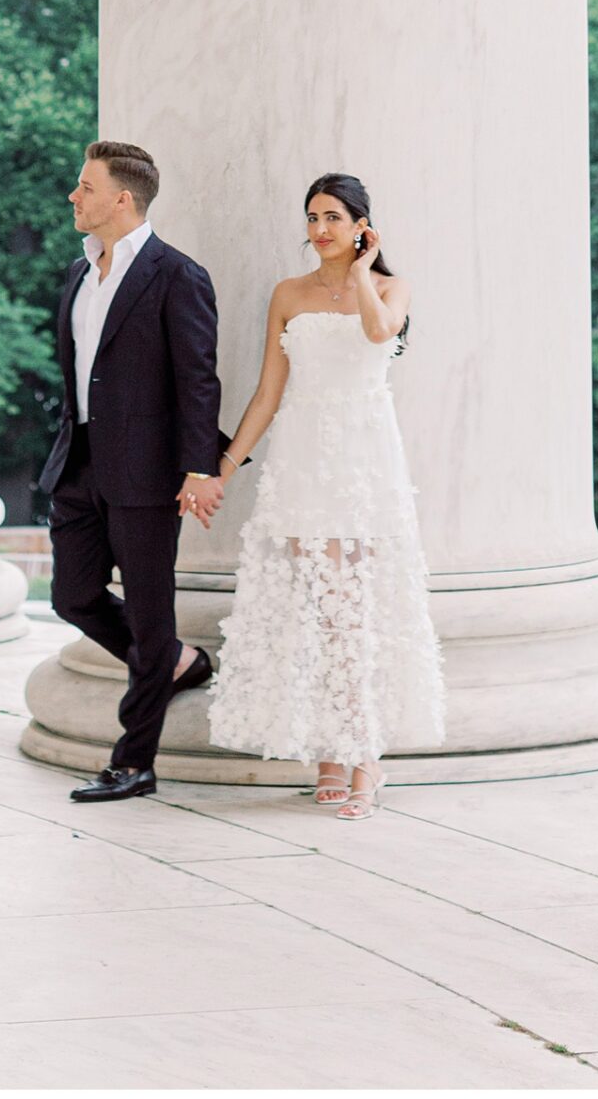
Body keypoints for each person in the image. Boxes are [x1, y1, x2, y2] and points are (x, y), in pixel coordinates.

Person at [199, 173, 445, 817]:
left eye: (333, 217)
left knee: (352, 615)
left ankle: (365, 760)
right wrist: (223, 466)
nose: (320, 230)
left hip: (362, 468)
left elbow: (377, 333)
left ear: (362, 224)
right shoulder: (287, 293)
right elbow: (267, 393)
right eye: (312, 218)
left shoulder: (392, 287)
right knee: (315, 611)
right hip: (302, 464)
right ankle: (330, 754)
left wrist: (362, 272)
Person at [38, 140, 226, 802]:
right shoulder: (79, 273)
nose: (73, 196)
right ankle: (173, 665)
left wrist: (200, 469)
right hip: (78, 463)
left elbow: (198, 382)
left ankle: (133, 762)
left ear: (123, 198)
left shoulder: (178, 276)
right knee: (72, 596)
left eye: (84, 187)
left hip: (147, 471)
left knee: (150, 618)